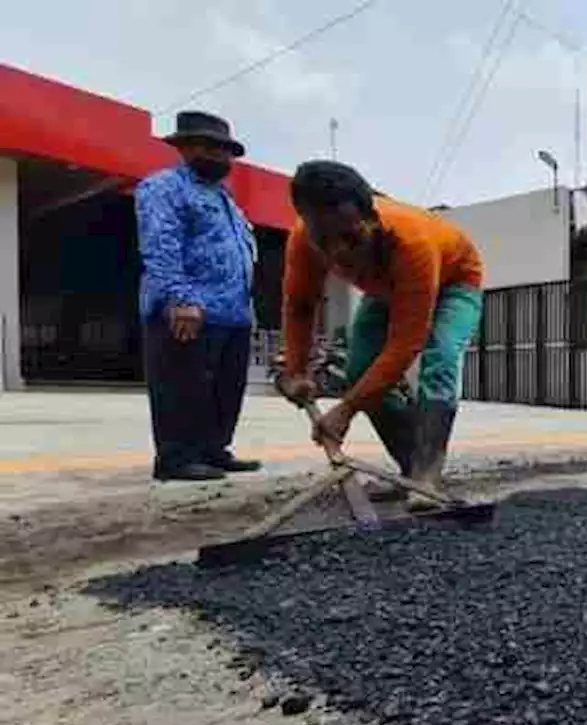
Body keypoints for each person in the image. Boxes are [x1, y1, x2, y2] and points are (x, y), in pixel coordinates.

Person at [275, 161, 484, 512]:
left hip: (453, 281)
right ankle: (410, 471)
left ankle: (427, 475)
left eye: (351, 238)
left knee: (441, 359)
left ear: (371, 218)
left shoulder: (411, 241)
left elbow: (405, 345)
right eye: (325, 240)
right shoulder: (303, 240)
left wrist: (346, 409)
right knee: (359, 370)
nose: (338, 251)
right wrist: (297, 372)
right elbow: (300, 307)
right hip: (384, 290)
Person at [135, 111, 260, 482]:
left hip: (233, 312)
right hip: (190, 309)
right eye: (210, 148)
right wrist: (179, 297)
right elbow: (161, 244)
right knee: (181, 385)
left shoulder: (225, 198)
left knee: (223, 388)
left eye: (226, 151)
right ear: (185, 147)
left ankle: (212, 450)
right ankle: (176, 458)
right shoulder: (164, 187)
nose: (221, 157)